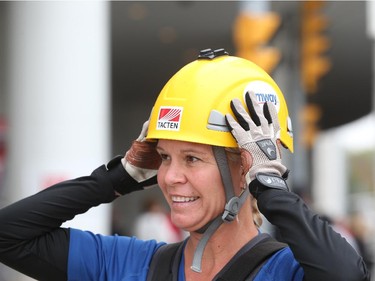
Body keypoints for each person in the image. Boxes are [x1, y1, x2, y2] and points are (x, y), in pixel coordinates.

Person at [0, 48, 370, 281]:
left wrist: (270, 187)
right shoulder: (132, 264)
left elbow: (345, 274)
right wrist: (118, 177)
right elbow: (8, 236)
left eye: (192, 158)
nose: (169, 177)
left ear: (246, 167)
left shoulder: (284, 271)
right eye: (164, 158)